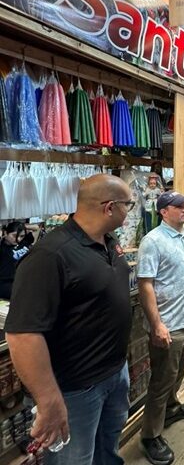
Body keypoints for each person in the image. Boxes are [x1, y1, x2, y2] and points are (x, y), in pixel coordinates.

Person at [5, 174, 133, 464]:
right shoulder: (50, 256)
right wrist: (48, 399)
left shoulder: (108, 241)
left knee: (108, 453)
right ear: (109, 207)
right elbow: (23, 334)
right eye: (128, 204)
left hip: (114, 374)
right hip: (75, 390)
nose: (129, 211)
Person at [137, 190, 184, 465]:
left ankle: (171, 407)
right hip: (168, 324)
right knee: (162, 379)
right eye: (178, 206)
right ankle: (150, 435)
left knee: (177, 371)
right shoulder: (152, 241)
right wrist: (157, 324)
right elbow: (145, 285)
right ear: (164, 212)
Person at [0, 222, 32, 299]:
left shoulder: (24, 241)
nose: (18, 239)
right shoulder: (2, 247)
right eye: (14, 235)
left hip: (24, 279)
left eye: (21, 236)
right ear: (6, 233)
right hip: (7, 282)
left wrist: (21, 227)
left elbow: (36, 227)